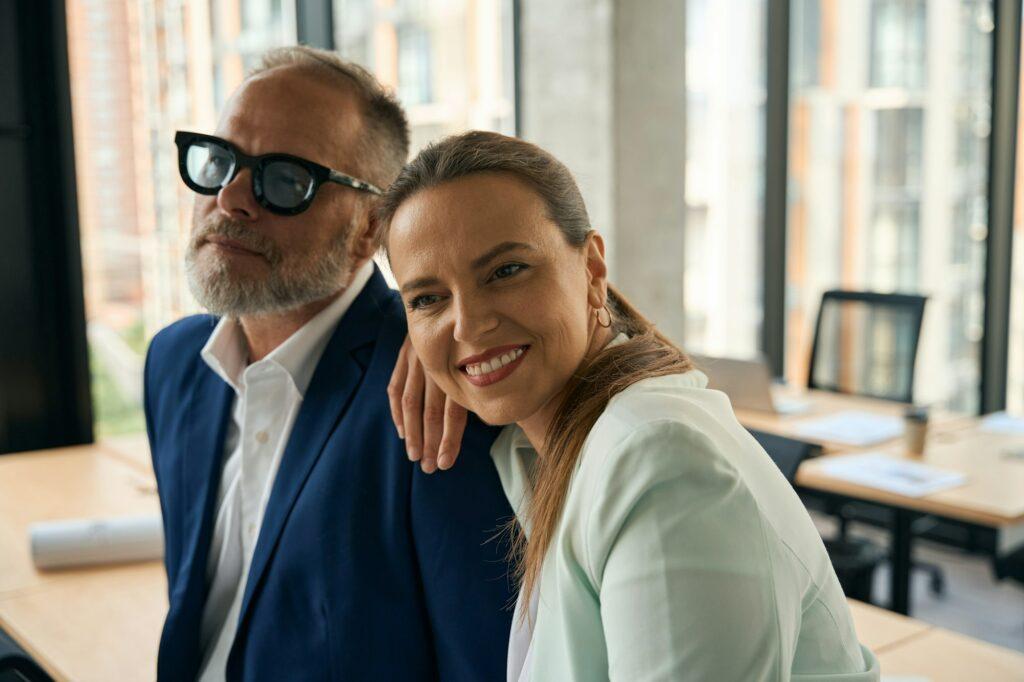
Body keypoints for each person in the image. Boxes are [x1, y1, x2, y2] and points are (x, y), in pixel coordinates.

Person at [379, 131, 881, 681]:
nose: (469, 323)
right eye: (428, 298)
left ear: (592, 270)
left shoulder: (656, 457)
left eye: (506, 271)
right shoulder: (537, 446)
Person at [144, 47, 515, 681]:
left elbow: (481, 664)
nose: (231, 198)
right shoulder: (173, 363)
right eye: (221, 159)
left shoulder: (438, 388)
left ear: (372, 228)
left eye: (285, 180)